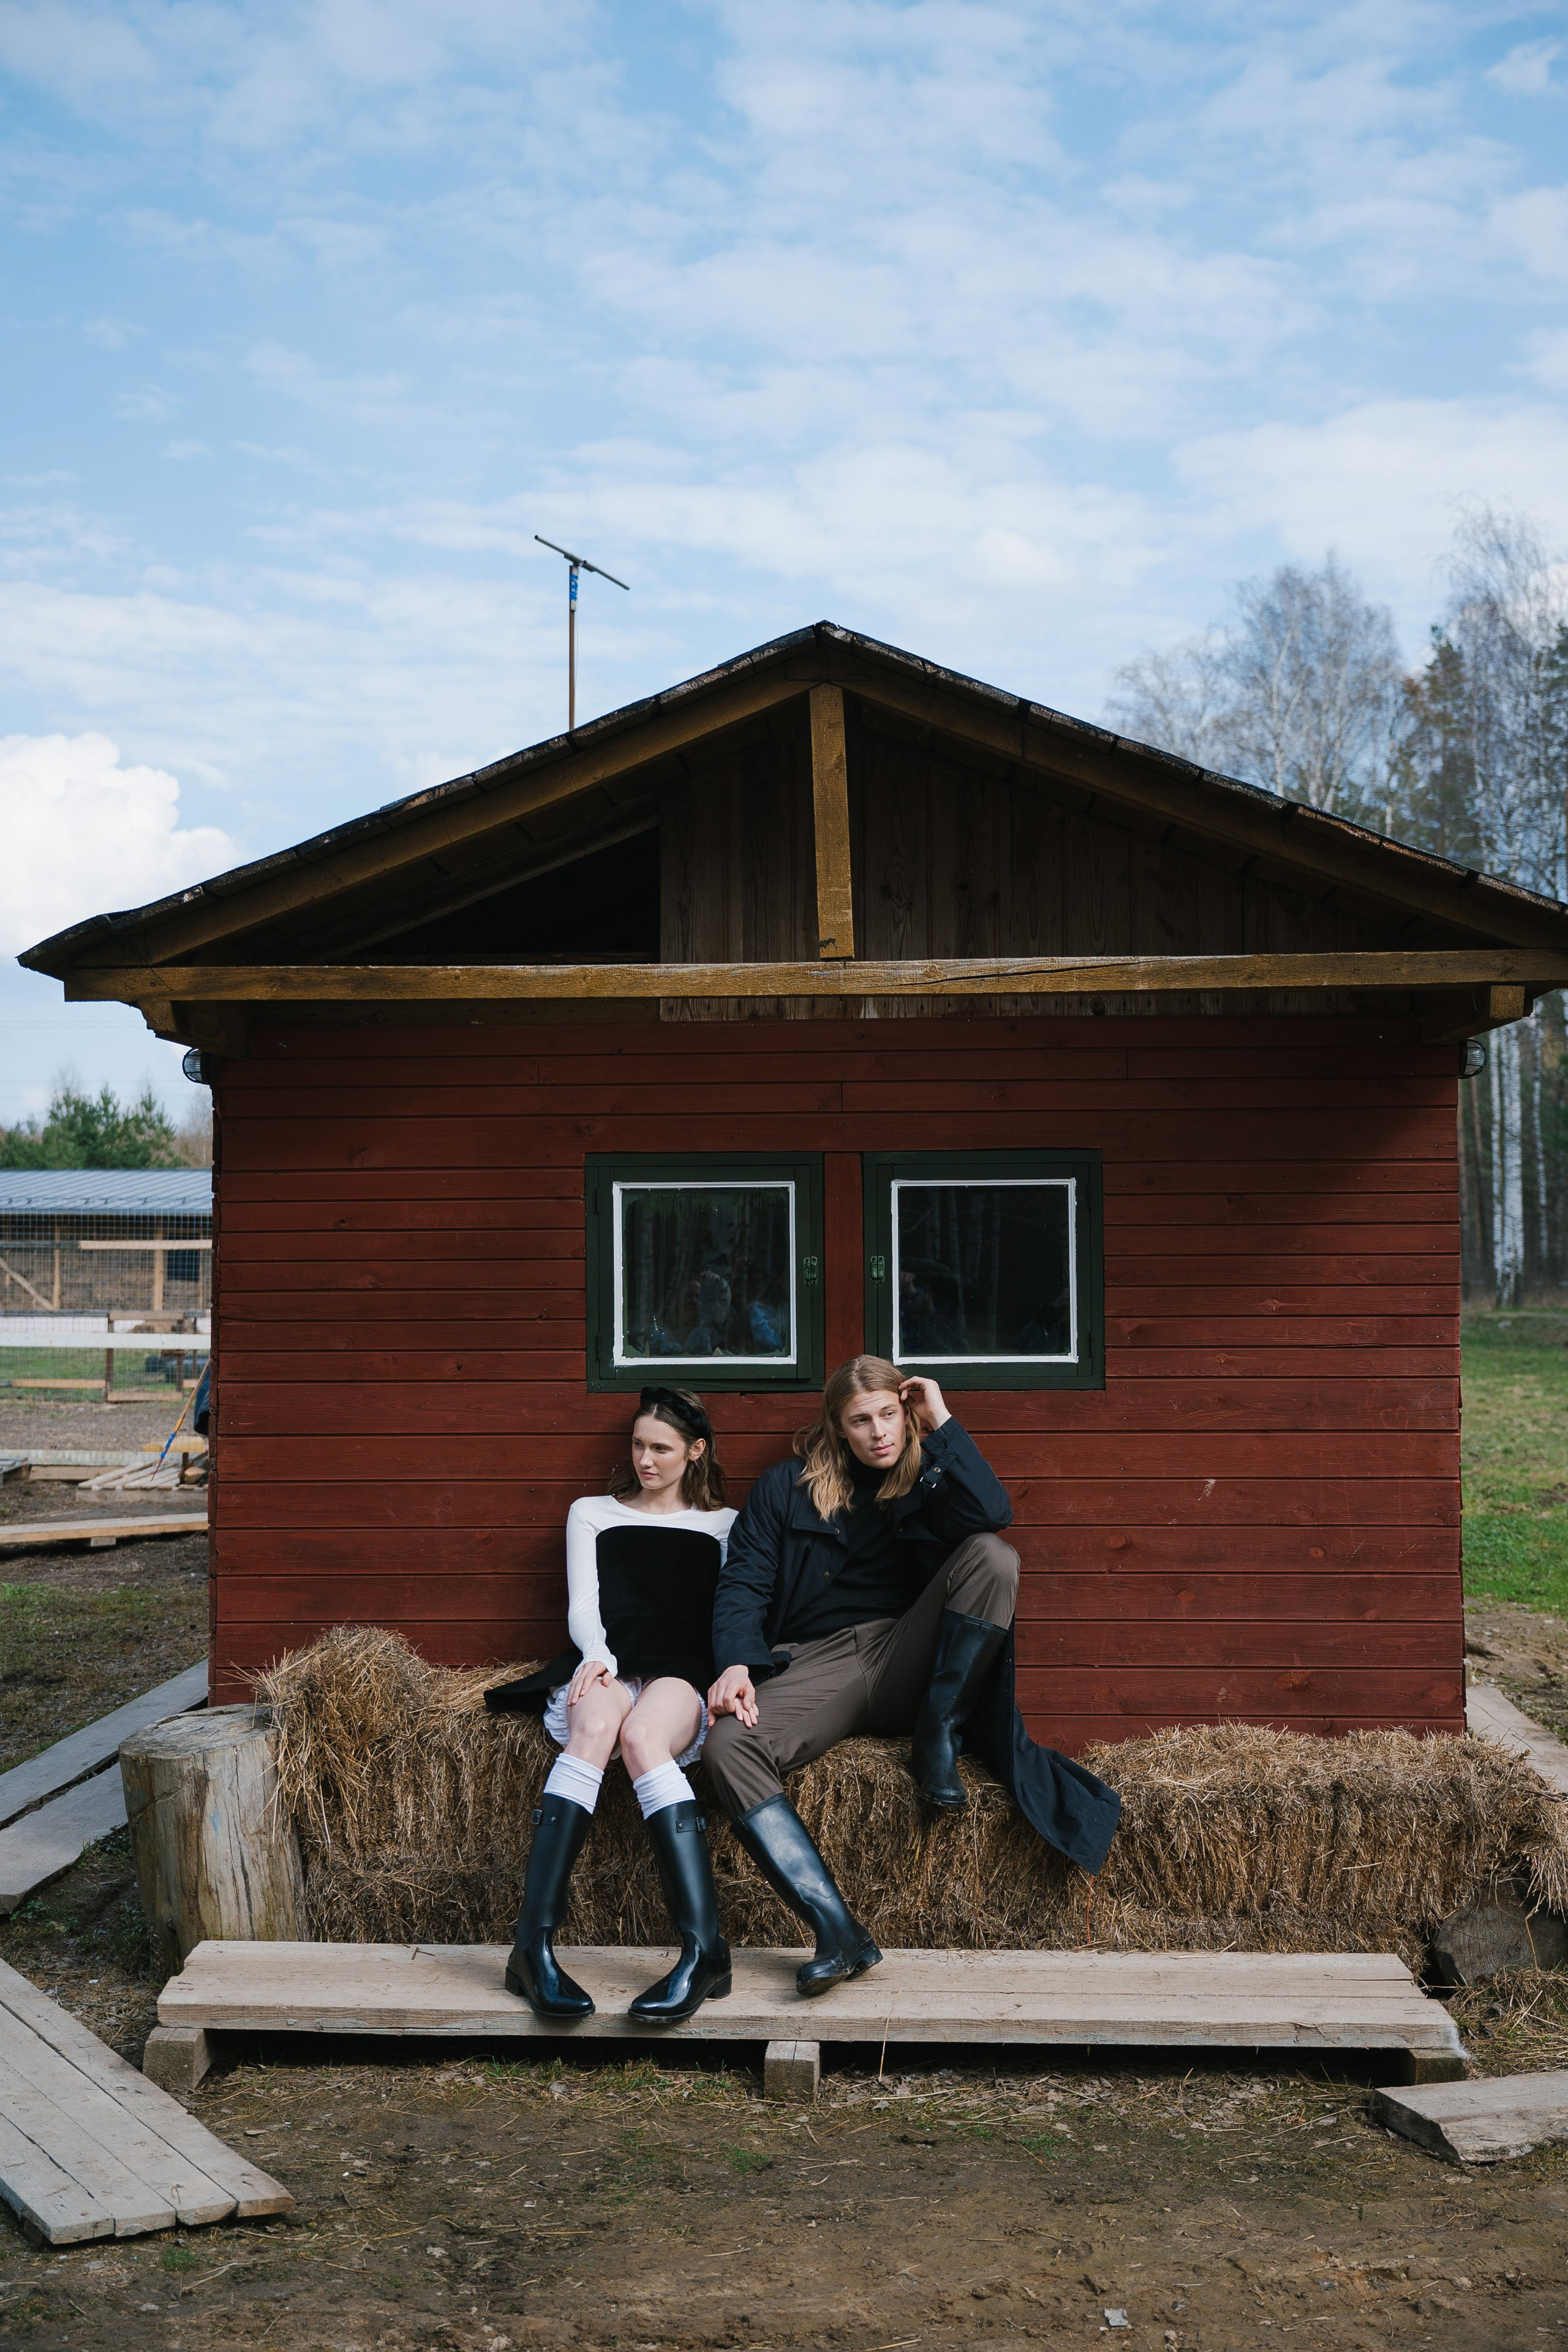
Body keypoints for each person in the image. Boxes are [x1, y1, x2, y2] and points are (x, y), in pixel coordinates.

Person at [704, 1354, 1121, 1997]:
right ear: (838, 1428)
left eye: (888, 1415)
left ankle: (939, 1738)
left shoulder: (931, 1479)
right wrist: (735, 1661)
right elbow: (744, 1581)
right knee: (729, 1744)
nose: (877, 1432)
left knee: (993, 1556)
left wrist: (943, 1419)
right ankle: (839, 1932)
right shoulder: (783, 1487)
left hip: (905, 1657)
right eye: (860, 1420)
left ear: (906, 1414)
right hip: (815, 1662)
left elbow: (994, 1512)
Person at [485, 1388, 737, 2026]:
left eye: (661, 1448)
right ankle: (532, 1947)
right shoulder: (591, 1512)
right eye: (638, 1445)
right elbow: (582, 1601)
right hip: (607, 1659)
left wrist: (732, 1671)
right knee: (596, 1725)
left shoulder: (723, 1525)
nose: (646, 1459)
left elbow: (732, 1615)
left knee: (643, 1740)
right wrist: (597, 1653)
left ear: (695, 1451)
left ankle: (704, 1950)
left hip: (681, 1671)